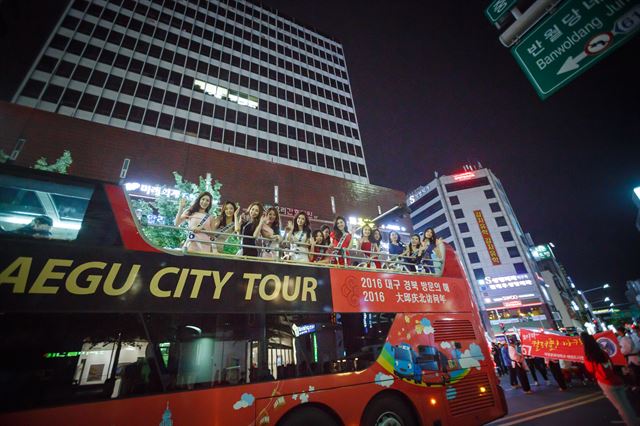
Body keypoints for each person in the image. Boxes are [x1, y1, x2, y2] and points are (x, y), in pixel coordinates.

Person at [581, 332, 638, 425]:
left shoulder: (588, 357)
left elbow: (590, 370)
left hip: (605, 382)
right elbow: (611, 364)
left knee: (620, 407)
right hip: (615, 379)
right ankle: (633, 420)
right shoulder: (603, 352)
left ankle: (632, 423)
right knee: (626, 404)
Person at [618, 326, 640, 391]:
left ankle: (636, 385)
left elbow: (626, 350)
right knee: (634, 372)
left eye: (618, 331)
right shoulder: (624, 338)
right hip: (631, 357)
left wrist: (620, 351)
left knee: (635, 372)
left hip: (632, 358)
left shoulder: (625, 339)